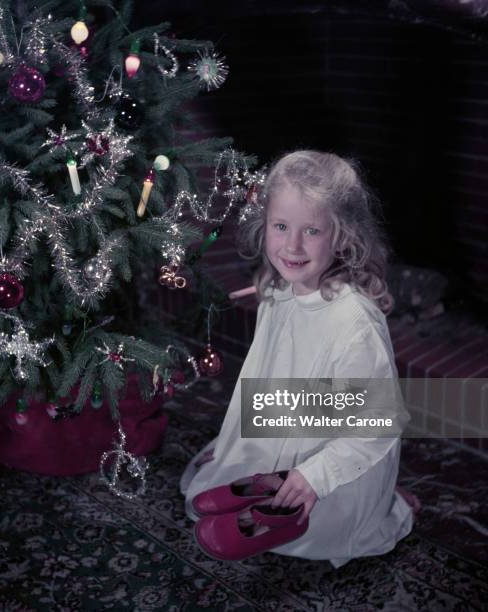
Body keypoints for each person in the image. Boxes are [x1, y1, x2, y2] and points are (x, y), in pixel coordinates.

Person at [180, 150, 420, 568]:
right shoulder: (283, 286)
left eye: (311, 230)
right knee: (200, 493)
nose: (292, 245)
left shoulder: (354, 326)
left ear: (342, 236)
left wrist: (315, 475)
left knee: (306, 537)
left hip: (340, 448)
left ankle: (389, 505)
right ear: (266, 224)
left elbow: (378, 423)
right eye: (281, 226)